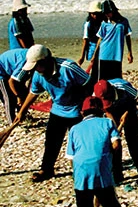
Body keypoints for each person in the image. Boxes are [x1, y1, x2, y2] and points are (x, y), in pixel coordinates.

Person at [14, 45, 91, 182]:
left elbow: (89, 84)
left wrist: (85, 107)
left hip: (76, 111)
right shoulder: (38, 75)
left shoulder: (68, 68)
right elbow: (34, 93)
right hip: (57, 110)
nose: (34, 70)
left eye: (36, 66)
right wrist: (22, 111)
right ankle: (47, 169)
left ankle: (83, 169)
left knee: (80, 143)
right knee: (51, 142)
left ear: (45, 61)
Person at [66, 96, 124, 207]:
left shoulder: (74, 129)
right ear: (101, 110)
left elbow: (71, 157)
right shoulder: (107, 123)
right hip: (102, 174)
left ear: (82, 112)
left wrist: (78, 176)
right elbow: (116, 144)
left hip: (81, 175)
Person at [93, 78, 138, 182]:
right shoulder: (95, 95)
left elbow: (134, 98)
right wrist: (114, 128)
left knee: (134, 138)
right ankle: (117, 174)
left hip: (127, 108)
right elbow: (105, 110)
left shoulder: (123, 87)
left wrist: (126, 114)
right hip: (110, 112)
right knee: (114, 142)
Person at [90, 0, 133, 81]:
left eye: (108, 12)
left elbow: (127, 37)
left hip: (117, 53)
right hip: (103, 53)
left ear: (113, 10)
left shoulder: (124, 22)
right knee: (102, 79)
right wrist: (94, 55)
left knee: (116, 77)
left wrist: (129, 53)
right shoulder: (104, 23)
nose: (107, 15)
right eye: (105, 13)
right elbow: (100, 39)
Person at [0, 48, 29, 125]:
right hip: (1, 74)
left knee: (24, 93)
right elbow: (11, 81)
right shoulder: (24, 62)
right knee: (9, 98)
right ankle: (12, 122)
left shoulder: (31, 56)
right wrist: (18, 97)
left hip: (9, 71)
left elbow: (22, 80)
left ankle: (22, 114)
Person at [78, 1, 104, 68]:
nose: (95, 16)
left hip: (103, 45)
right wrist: (82, 57)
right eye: (93, 14)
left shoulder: (104, 23)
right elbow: (85, 40)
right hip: (92, 45)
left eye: (96, 14)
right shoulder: (88, 24)